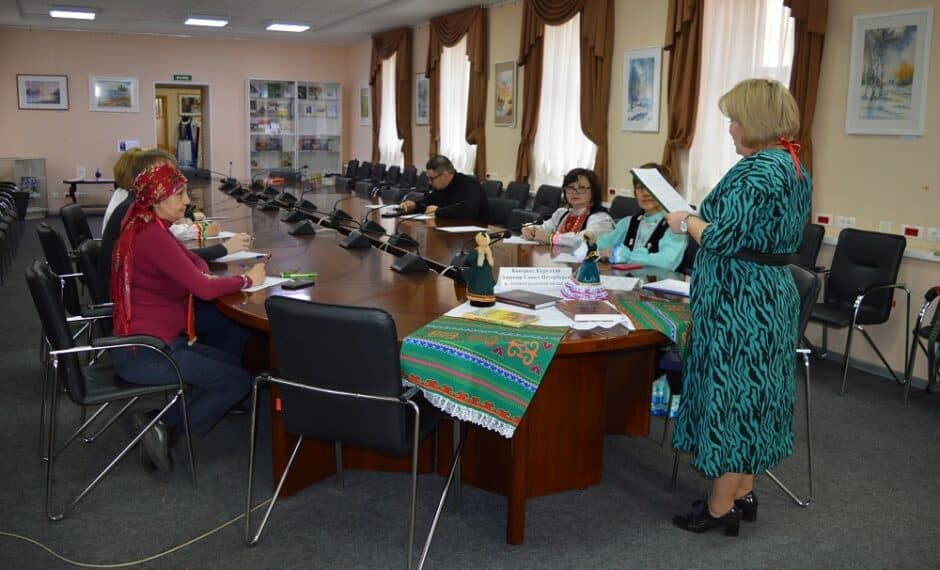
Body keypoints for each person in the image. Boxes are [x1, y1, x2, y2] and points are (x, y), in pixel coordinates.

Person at [664, 78, 812, 535]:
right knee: (754, 396)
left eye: (734, 119)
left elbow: (723, 238)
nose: (730, 128)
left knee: (732, 398)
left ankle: (719, 507)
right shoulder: (791, 164)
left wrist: (686, 220)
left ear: (756, 121)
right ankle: (742, 490)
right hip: (766, 295)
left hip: (740, 303)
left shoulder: (758, 170)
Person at [108, 163, 266, 471]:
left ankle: (163, 420)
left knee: (232, 363)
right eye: (179, 194)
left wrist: (201, 272)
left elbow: (194, 263)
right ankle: (164, 425)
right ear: (156, 199)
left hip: (150, 344)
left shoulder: (147, 224)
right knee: (238, 381)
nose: (186, 201)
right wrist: (248, 280)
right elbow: (204, 289)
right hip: (149, 353)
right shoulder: (151, 236)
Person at [99, 148, 251, 299]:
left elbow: (185, 257)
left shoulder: (140, 209)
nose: (176, 177)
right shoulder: (144, 223)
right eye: (169, 173)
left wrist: (202, 272)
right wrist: (245, 277)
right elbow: (200, 283)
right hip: (141, 301)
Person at [596, 163, 688, 270]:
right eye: (640, 187)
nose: (645, 193)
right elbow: (599, 245)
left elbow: (667, 262)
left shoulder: (675, 225)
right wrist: (587, 244)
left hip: (658, 279)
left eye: (651, 187)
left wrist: (627, 256)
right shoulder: (627, 223)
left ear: (666, 190)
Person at [521, 168, 614, 247]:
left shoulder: (601, 219)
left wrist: (551, 238)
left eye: (582, 188)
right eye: (570, 187)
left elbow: (585, 240)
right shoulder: (562, 214)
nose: (575, 192)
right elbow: (543, 228)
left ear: (593, 192)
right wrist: (531, 230)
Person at [399, 155, 489, 223]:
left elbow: (469, 210)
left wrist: (438, 212)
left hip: (473, 233)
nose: (429, 182)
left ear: (445, 175)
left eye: (432, 179)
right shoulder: (440, 186)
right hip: (446, 228)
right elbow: (428, 201)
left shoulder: (470, 184)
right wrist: (415, 205)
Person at [465, 232, 496, 307]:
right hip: (478, 273)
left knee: (485, 286)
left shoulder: (488, 250)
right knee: (478, 286)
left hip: (485, 274)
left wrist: (487, 255)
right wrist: (479, 254)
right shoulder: (475, 251)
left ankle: (486, 299)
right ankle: (477, 299)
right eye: (483, 240)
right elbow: (470, 260)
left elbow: (491, 262)